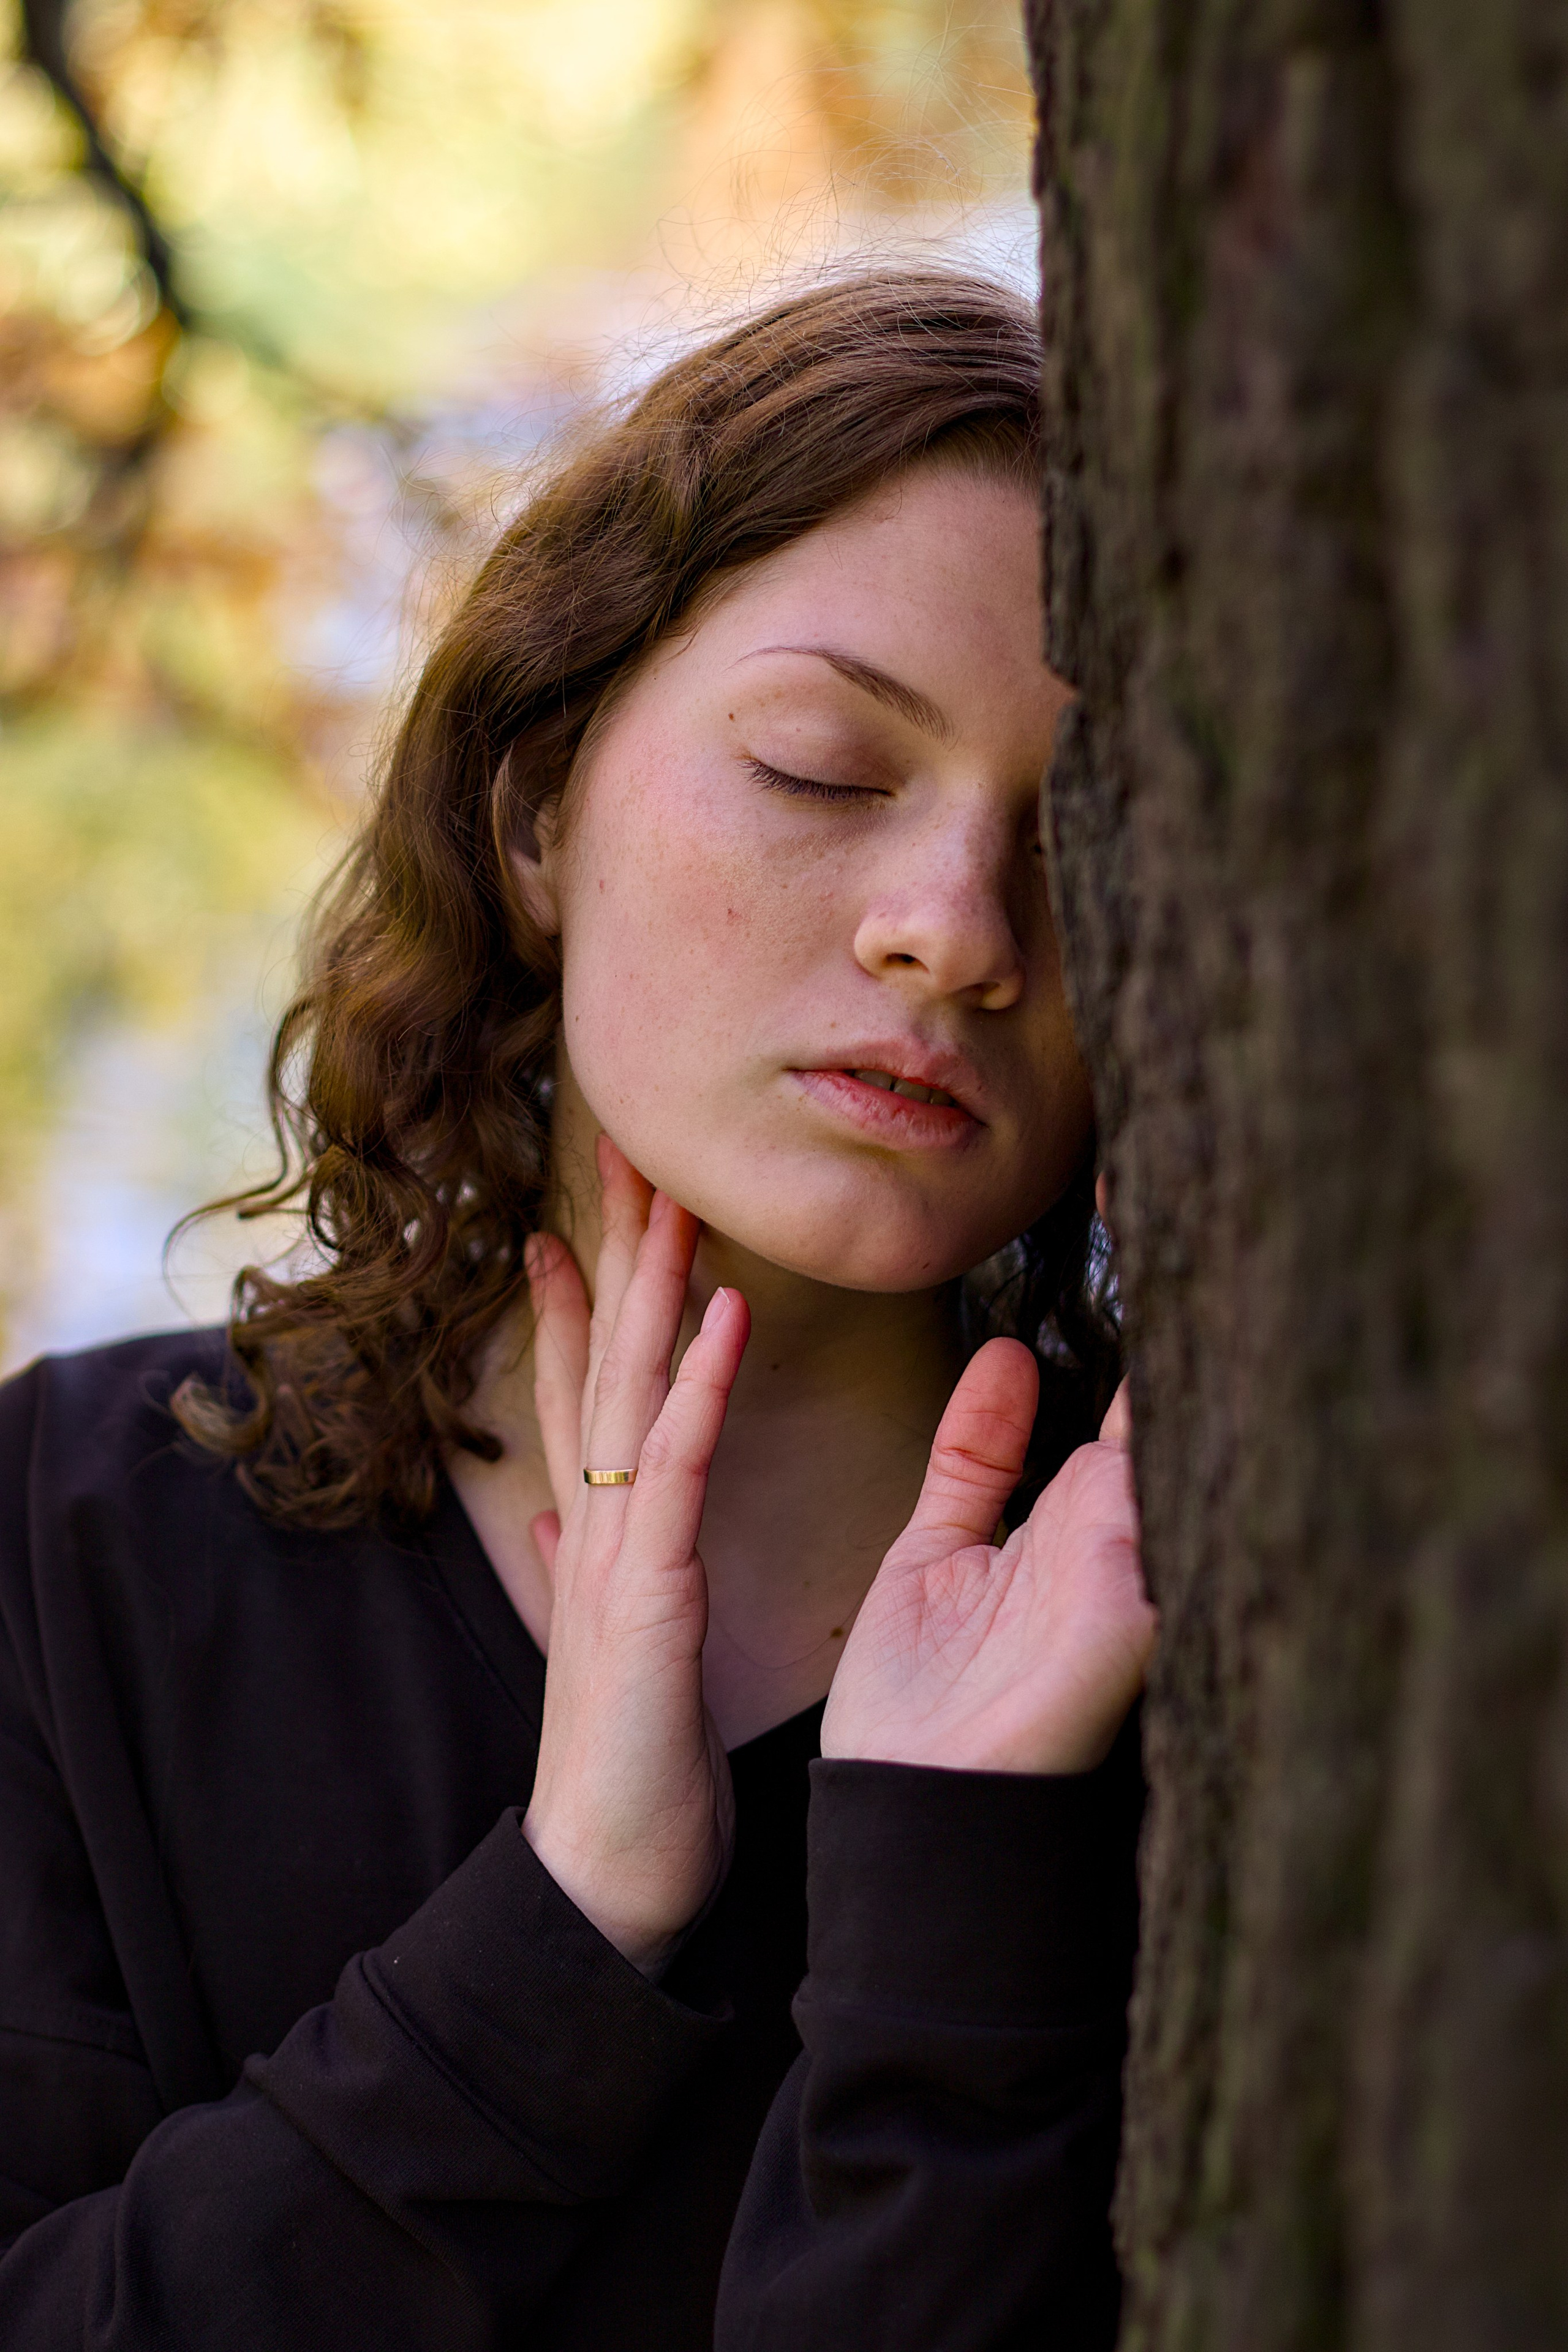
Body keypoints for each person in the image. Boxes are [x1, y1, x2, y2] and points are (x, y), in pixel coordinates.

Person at [0, 271, 1156, 2349]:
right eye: (825, 769)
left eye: (1093, 847)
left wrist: (946, 1894)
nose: (958, 931)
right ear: (541, 806)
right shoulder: (62, 1541)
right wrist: (555, 1938)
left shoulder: (1193, 1625)